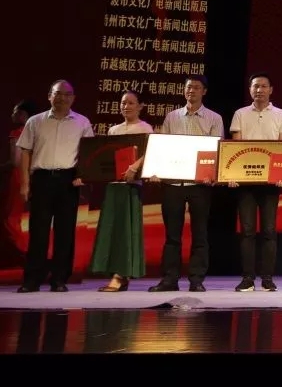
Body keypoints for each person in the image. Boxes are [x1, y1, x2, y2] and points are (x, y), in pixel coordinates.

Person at [148, 75, 224, 293]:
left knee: (200, 234)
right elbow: (163, 147)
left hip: (200, 185)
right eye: (189, 87)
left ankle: (196, 280)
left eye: (196, 87)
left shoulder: (214, 118)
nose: (192, 91)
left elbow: (217, 150)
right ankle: (169, 279)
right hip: (173, 183)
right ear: (184, 91)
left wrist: (211, 174)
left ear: (204, 91)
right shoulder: (172, 117)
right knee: (172, 235)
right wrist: (156, 171)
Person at [16, 80, 94, 293]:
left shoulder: (82, 122)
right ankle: (32, 280)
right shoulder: (35, 121)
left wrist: (83, 175)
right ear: (49, 96)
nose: (62, 98)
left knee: (65, 232)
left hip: (68, 181)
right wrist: (25, 183)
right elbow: (25, 152)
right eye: (58, 93)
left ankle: (59, 279)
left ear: (73, 98)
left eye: (67, 94)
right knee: (38, 232)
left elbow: (88, 152)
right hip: (41, 179)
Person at [229, 72, 282, 292]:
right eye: (255, 86)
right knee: (247, 231)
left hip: (270, 183)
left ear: (271, 90)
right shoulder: (240, 114)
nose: (259, 90)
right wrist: (232, 175)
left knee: (269, 230)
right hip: (245, 182)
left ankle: (267, 279)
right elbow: (235, 148)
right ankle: (247, 278)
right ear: (250, 90)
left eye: (264, 86)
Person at [91, 90, 153, 292]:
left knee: (126, 231)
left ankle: (121, 275)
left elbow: (149, 153)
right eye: (123, 103)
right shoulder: (113, 130)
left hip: (131, 186)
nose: (126, 106)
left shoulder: (145, 128)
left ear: (140, 106)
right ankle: (115, 273)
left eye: (131, 103)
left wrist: (134, 167)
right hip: (113, 185)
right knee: (112, 229)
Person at [0, 100, 35, 267]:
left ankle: (20, 252)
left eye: (16, 112)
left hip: (17, 177)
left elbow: (15, 161)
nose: (12, 115)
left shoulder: (16, 133)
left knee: (11, 217)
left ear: (23, 115)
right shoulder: (35, 131)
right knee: (21, 215)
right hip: (32, 175)